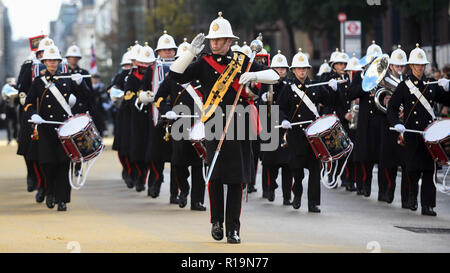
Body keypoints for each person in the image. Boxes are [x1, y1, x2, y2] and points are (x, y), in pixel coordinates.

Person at [169, 12, 279, 243]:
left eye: (219, 40)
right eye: (212, 40)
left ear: (230, 41)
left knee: (236, 180)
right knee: (215, 177)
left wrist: (253, 74)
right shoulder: (203, 63)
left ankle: (233, 229)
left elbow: (274, 76)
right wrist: (190, 53)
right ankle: (216, 222)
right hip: (215, 124)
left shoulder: (242, 60)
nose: (214, 43)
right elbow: (175, 75)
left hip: (239, 125)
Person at [24, 45, 90, 211]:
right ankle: (49, 192)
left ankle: (62, 199)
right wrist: (33, 115)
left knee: (63, 164)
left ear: (59, 62)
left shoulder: (67, 78)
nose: (52, 63)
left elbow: (87, 98)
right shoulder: (39, 82)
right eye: (49, 60)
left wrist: (81, 84)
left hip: (64, 128)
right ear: (44, 62)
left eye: (55, 60)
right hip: (46, 127)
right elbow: (29, 102)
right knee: (47, 163)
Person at [388, 44, 450, 216]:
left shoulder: (431, 84)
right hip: (412, 133)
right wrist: (396, 123)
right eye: (417, 65)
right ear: (412, 66)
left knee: (430, 171)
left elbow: (447, 100)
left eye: (423, 65)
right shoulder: (404, 85)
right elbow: (392, 107)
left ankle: (428, 205)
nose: (420, 68)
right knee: (412, 170)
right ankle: (412, 198)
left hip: (429, 134)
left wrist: (448, 87)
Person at [278, 48, 335, 213]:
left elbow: (329, 101)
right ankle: (297, 195)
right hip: (296, 134)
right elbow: (280, 108)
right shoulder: (288, 89)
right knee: (297, 170)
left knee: (314, 170)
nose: (302, 71)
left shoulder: (315, 86)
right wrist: (284, 120)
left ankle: (313, 202)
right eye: (299, 68)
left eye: (304, 68)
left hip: (312, 135)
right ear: (294, 70)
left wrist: (333, 89)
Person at [141, 31, 179, 204]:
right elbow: (142, 90)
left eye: (171, 50)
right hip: (158, 117)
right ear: (158, 52)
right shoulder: (151, 69)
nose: (168, 53)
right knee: (156, 155)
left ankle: (175, 192)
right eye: (164, 50)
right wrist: (145, 95)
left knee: (178, 157)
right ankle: (155, 182)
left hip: (178, 115)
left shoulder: (182, 67)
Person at [347, 41, 385, 198]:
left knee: (383, 158)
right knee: (364, 156)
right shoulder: (360, 76)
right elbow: (351, 93)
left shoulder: (386, 75)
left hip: (381, 120)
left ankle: (383, 191)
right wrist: (365, 86)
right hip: (365, 122)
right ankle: (363, 185)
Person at [259, 50, 293, 204]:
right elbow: (259, 106)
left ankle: (287, 196)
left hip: (285, 126)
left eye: (283, 69)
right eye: (277, 68)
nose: (280, 71)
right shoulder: (266, 84)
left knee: (287, 164)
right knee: (269, 163)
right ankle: (269, 189)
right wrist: (263, 98)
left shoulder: (290, 85)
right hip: (270, 126)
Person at [378, 45, 409, 206]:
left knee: (406, 164)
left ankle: (406, 198)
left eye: (402, 65)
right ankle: (389, 190)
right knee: (389, 163)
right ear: (391, 66)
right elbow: (381, 101)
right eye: (397, 66)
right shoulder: (384, 81)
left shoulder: (408, 81)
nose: (400, 68)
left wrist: (406, 111)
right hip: (390, 126)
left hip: (405, 127)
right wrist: (388, 104)